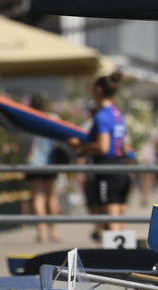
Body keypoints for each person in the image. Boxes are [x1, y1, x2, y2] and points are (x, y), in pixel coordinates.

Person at [68, 72, 132, 235]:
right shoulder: (118, 114)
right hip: (121, 168)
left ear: (97, 89)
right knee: (119, 223)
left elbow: (103, 147)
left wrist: (79, 146)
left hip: (106, 170)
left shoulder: (102, 116)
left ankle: (115, 260)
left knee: (110, 226)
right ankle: (124, 258)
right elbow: (125, 147)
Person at [24, 95, 63, 243]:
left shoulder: (27, 119)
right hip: (50, 162)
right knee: (51, 196)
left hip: (33, 163)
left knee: (38, 196)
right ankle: (53, 231)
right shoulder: (52, 118)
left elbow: (22, 142)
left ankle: (41, 232)